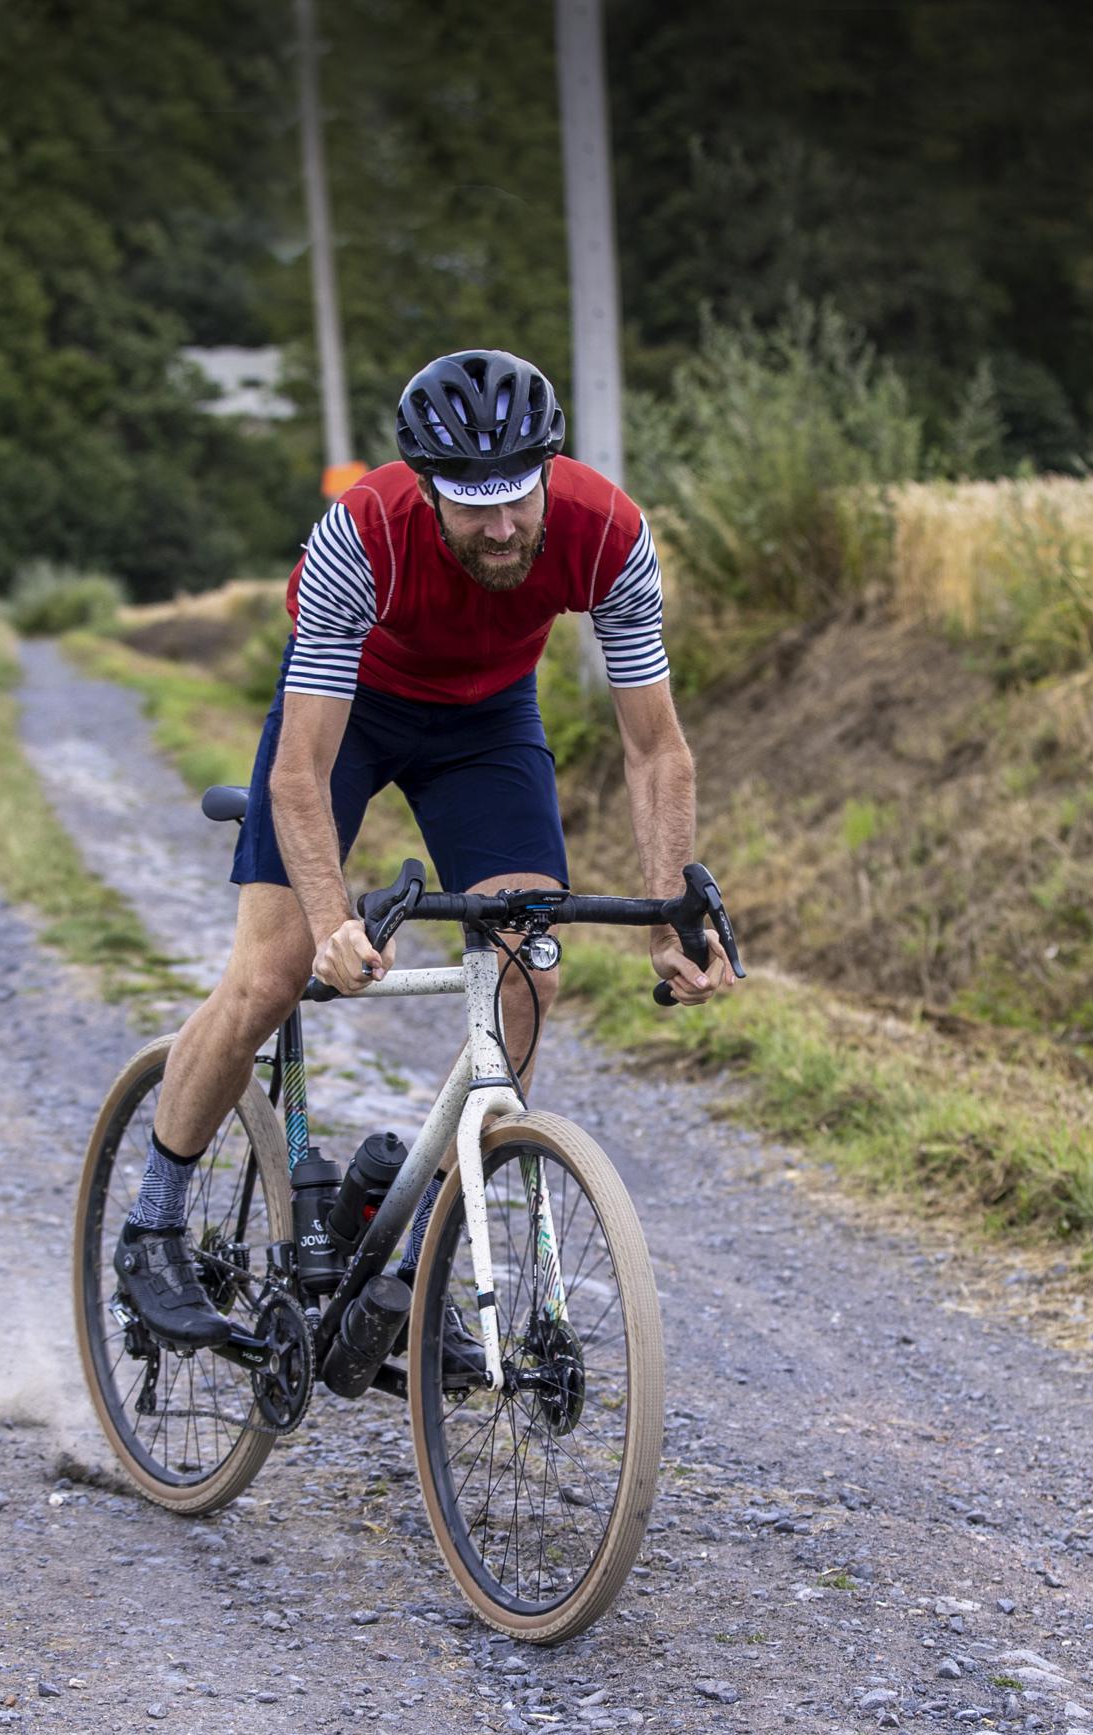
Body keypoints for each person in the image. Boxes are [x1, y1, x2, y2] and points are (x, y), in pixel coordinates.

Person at [113, 347, 737, 1347]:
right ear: (425, 488)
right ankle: (150, 1227)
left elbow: (656, 748)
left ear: (548, 470)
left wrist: (670, 912)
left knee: (528, 965)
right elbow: (297, 774)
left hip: (487, 725)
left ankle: (411, 1277)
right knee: (271, 972)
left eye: (517, 497)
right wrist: (327, 924)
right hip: (349, 714)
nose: (500, 525)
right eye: (471, 502)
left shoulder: (609, 534)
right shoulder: (360, 538)